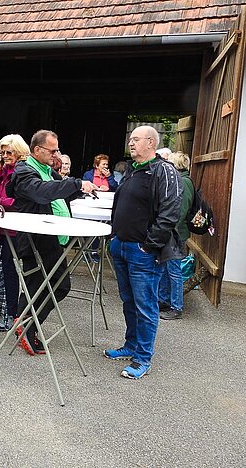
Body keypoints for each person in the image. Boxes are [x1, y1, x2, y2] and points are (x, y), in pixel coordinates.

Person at [6, 129, 97, 355]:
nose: (56, 154)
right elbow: (41, 193)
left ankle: (26, 324)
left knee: (43, 286)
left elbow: (61, 192)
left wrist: (83, 189)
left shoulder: (46, 169)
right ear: (37, 150)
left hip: (51, 237)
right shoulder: (24, 171)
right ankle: (27, 325)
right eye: (52, 150)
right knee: (52, 285)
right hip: (35, 239)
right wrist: (76, 184)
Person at [105, 125, 182, 379]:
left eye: (136, 139)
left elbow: (170, 212)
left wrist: (149, 245)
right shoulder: (131, 170)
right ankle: (130, 346)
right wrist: (114, 237)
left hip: (143, 252)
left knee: (145, 305)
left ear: (151, 143)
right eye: (131, 139)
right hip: (121, 246)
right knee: (129, 301)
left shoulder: (164, 171)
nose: (131, 143)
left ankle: (142, 359)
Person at [0, 134, 28, 332]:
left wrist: (0, 202)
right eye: (2, 151)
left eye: (8, 151)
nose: (5, 155)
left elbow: (21, 200)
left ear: (18, 152)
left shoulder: (22, 171)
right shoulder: (6, 170)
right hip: (0, 227)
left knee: (9, 270)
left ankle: (10, 313)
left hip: (13, 229)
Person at [159, 151, 194, 320]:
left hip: (176, 232)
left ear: (177, 165)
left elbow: (182, 210)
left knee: (173, 270)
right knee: (167, 267)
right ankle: (164, 300)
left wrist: (168, 227)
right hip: (174, 231)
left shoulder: (184, 182)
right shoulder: (182, 180)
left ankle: (176, 306)